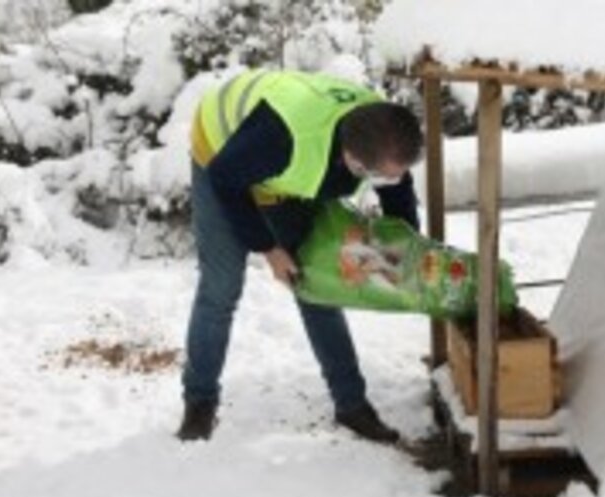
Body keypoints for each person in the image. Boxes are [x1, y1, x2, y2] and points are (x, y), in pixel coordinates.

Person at [178, 69, 423, 443]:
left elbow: (397, 191)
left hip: (282, 165)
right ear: (354, 162)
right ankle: (199, 403)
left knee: (314, 281)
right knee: (221, 286)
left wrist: (406, 252)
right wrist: (269, 249)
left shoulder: (383, 132)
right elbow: (225, 179)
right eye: (384, 176)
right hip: (221, 152)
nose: (394, 180)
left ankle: (352, 405)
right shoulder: (286, 141)